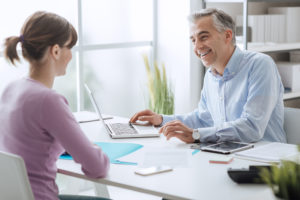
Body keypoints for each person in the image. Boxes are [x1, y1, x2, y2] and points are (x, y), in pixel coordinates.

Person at [130, 8, 286, 144]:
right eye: (193, 40)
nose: (197, 47)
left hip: (268, 163)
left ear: (228, 36)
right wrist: (162, 120)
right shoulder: (211, 75)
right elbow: (203, 119)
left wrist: (196, 135)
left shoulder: (260, 65)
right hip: (230, 155)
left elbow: (252, 127)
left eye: (203, 37)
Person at [0, 11, 109, 200]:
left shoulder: (11, 88)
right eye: (70, 48)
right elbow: (97, 168)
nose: (71, 56)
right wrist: (94, 149)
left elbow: (29, 141)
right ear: (56, 51)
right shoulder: (48, 100)